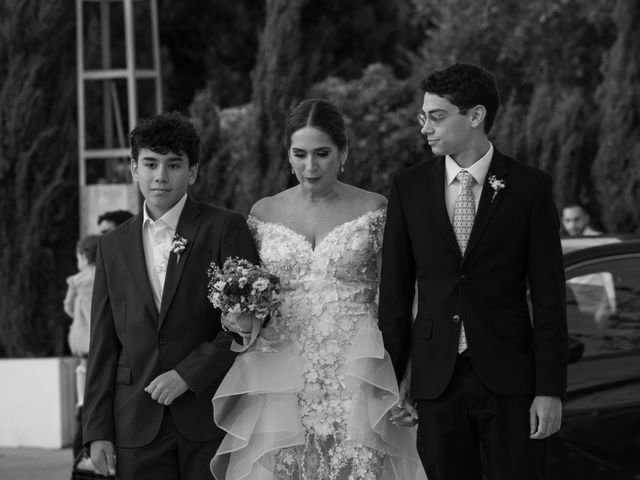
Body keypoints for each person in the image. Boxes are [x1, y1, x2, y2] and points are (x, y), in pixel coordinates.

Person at [210, 99, 424, 480]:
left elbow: (401, 299)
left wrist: (409, 374)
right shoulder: (263, 213)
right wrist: (239, 318)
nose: (310, 167)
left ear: (344, 152)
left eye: (322, 154)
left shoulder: (375, 208)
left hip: (358, 371)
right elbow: (253, 302)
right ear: (288, 155)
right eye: (300, 154)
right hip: (281, 371)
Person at [378, 63, 568, 480]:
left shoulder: (530, 187)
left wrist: (549, 390)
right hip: (436, 381)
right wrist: (392, 383)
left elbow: (550, 296)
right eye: (422, 117)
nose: (425, 128)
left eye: (437, 116)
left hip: (511, 381)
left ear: (476, 116)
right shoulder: (407, 187)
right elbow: (394, 292)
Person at [82, 111, 259, 480]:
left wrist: (188, 374)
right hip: (135, 423)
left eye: (173, 164)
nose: (160, 176)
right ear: (134, 169)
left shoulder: (225, 227)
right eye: (150, 164)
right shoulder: (111, 246)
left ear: (192, 172)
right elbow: (103, 343)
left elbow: (250, 321)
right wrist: (97, 430)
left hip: (209, 415)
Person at [63, 234, 99, 461]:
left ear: (84, 257)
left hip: (85, 353)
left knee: (83, 410)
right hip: (101, 347)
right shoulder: (107, 275)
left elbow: (68, 308)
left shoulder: (76, 281)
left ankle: (81, 463)